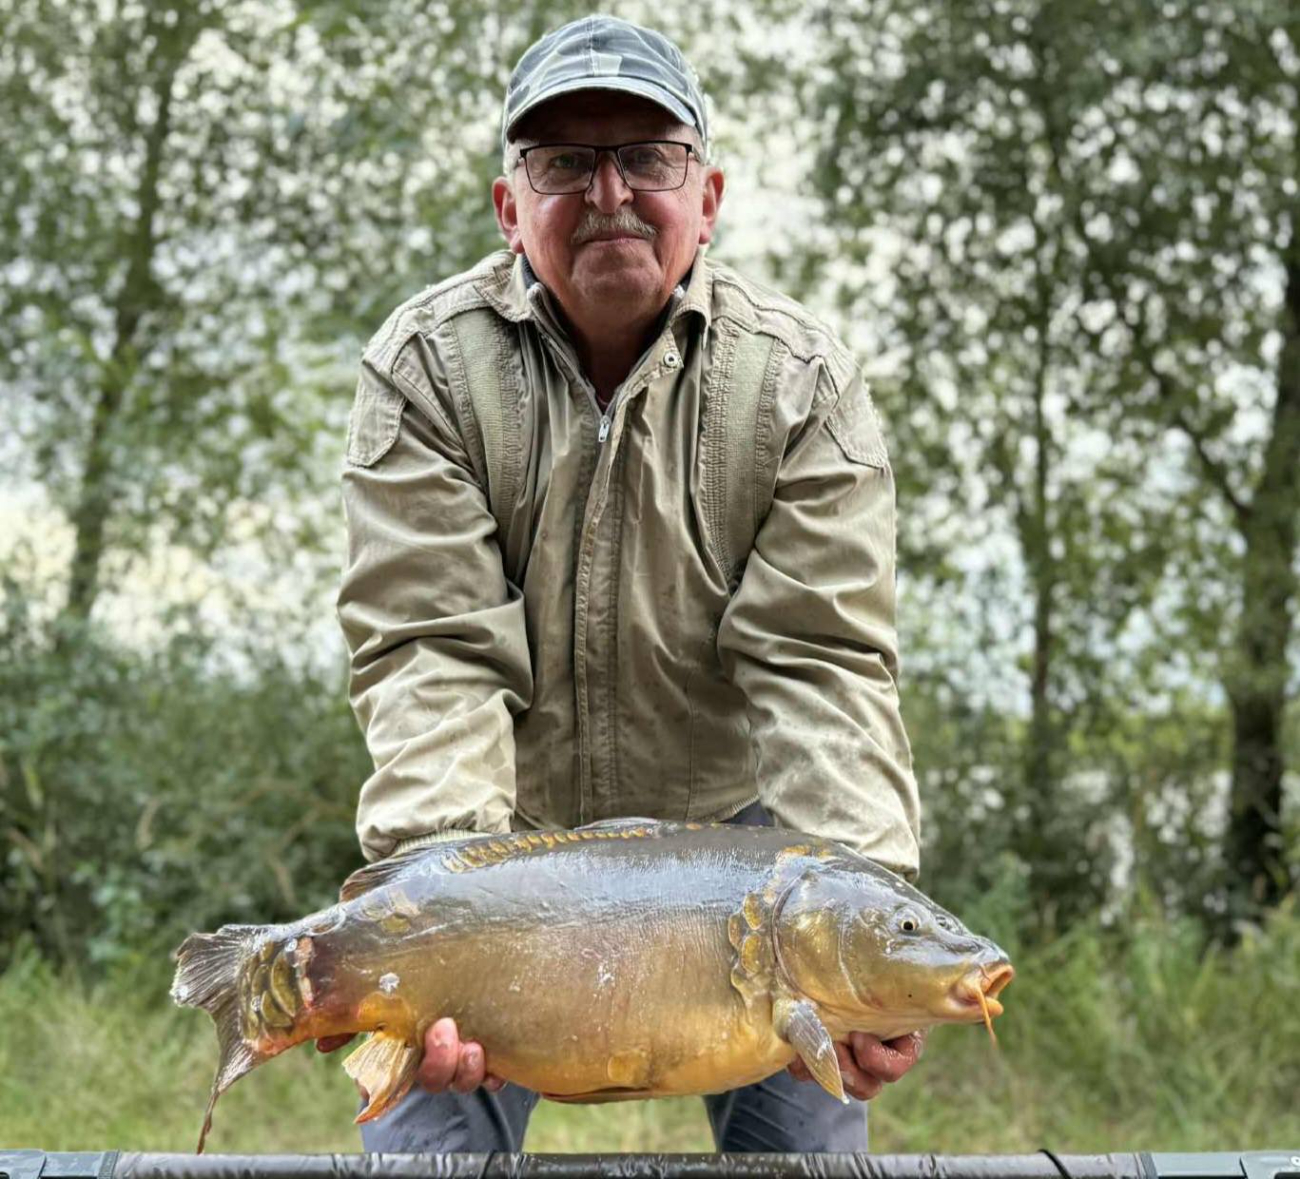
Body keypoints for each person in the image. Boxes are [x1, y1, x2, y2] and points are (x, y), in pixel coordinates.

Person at [329, 14, 923, 1154]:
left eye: (646, 157)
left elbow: (823, 664)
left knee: (806, 1156)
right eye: (564, 161)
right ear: (511, 208)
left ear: (707, 197)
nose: (608, 192)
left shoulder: (802, 382)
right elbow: (429, 652)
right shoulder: (421, 369)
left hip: (741, 865)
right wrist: (449, 887)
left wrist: (860, 919)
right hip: (501, 848)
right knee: (423, 1154)